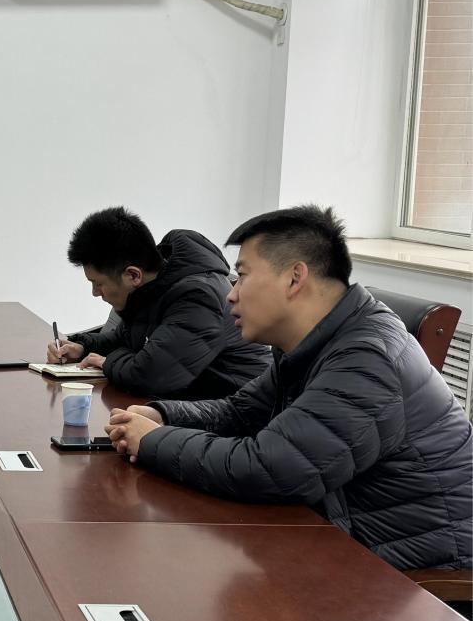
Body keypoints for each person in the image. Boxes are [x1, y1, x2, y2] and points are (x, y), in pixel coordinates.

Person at [108, 205, 471, 571]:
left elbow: (269, 468)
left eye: (242, 276)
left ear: (295, 279)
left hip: (418, 573)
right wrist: (162, 414)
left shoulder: (366, 359)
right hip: (341, 534)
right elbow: (240, 411)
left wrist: (152, 441)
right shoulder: (316, 342)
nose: (231, 294)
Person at [49, 206, 269, 399]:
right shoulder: (154, 287)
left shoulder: (198, 297)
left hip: (239, 414)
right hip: (192, 405)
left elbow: (151, 377)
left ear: (133, 275)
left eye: (98, 284)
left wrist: (106, 362)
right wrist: (83, 347)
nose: (95, 293)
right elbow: (125, 338)